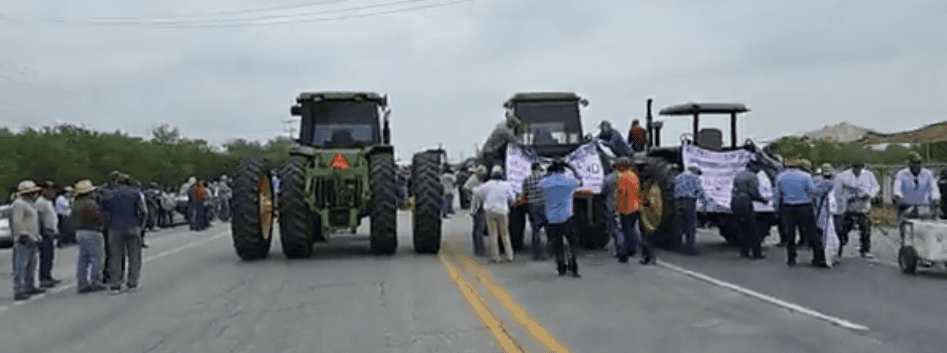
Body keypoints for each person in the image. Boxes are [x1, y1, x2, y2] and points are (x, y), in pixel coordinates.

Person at [101, 174, 147, 294]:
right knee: (134, 257)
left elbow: (103, 212)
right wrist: (140, 225)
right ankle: (132, 283)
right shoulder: (135, 194)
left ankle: (115, 284)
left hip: (115, 228)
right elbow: (143, 211)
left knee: (115, 257)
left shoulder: (109, 195)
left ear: (116, 182)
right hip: (133, 226)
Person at [776, 159, 825, 267]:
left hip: (788, 206)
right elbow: (812, 191)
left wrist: (777, 207)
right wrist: (821, 191)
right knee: (812, 232)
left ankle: (791, 258)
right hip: (805, 206)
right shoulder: (806, 176)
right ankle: (818, 257)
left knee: (790, 233)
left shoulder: (780, 176)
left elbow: (777, 194)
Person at [541, 159, 584, 276]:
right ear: (564, 170)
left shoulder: (545, 182)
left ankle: (561, 267)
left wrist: (548, 172)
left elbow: (540, 182)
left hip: (552, 219)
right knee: (573, 244)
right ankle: (573, 266)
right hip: (567, 217)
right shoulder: (569, 181)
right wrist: (572, 168)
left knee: (557, 245)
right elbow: (581, 181)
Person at [69, 180, 108, 294]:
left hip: (80, 231)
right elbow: (97, 217)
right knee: (96, 257)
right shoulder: (90, 203)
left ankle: (82, 283)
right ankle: (96, 281)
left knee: (83, 259)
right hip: (92, 230)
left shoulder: (76, 203)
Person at [613, 157, 654, 265]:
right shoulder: (633, 176)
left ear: (622, 165)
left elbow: (622, 194)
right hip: (635, 207)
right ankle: (625, 255)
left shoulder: (623, 177)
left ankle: (646, 254)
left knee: (630, 233)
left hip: (626, 208)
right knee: (630, 233)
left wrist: (619, 208)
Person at [10, 180, 46, 301]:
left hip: (32, 238)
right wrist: (23, 235)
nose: (34, 194)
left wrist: (37, 236)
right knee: (21, 265)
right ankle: (19, 289)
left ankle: (30, 286)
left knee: (31, 265)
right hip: (23, 239)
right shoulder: (19, 204)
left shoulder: (30, 204)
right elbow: (17, 221)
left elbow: (33, 222)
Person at [835, 161, 879, 258]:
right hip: (849, 208)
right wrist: (847, 198)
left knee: (865, 229)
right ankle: (839, 249)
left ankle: (865, 250)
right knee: (843, 230)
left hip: (863, 208)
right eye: (855, 167)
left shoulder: (869, 175)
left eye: (859, 167)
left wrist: (870, 195)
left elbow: (876, 187)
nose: (857, 169)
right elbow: (838, 191)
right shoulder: (844, 175)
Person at [475, 166, 518, 263]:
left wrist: (484, 198)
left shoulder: (487, 185)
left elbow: (477, 193)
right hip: (502, 212)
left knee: (493, 234)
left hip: (490, 211)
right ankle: (509, 256)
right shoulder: (506, 185)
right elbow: (513, 198)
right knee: (505, 234)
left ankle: (495, 257)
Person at [732, 165, 767, 259]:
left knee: (741, 228)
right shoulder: (752, 176)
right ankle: (756, 253)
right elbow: (754, 192)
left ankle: (744, 252)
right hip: (745, 201)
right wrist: (763, 200)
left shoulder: (738, 175)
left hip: (735, 201)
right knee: (752, 229)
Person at [893, 152, 941, 220]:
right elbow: (897, 189)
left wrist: (935, 199)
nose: (916, 165)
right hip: (907, 207)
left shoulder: (927, 173)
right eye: (913, 162)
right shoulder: (901, 174)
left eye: (918, 162)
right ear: (909, 163)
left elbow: (934, 188)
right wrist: (898, 197)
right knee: (905, 226)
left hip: (923, 208)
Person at [673, 166, 707, 255]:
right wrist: (704, 203)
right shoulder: (694, 178)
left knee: (679, 224)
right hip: (688, 202)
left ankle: (678, 245)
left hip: (677, 202)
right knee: (690, 225)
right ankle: (689, 248)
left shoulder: (678, 177)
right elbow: (699, 190)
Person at [35, 181, 62, 288]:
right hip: (45, 231)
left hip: (51, 231)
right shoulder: (40, 202)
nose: (52, 192)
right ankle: (44, 278)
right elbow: (39, 218)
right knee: (45, 256)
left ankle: (48, 276)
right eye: (50, 189)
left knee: (50, 256)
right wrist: (42, 232)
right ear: (44, 190)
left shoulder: (48, 202)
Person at [814, 165, 841, 267]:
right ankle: (829, 258)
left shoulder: (817, 183)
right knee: (831, 237)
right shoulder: (835, 185)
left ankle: (820, 258)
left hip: (822, 214)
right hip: (831, 214)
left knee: (822, 237)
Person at [522, 162, 549, 261]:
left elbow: (524, 193)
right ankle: (547, 252)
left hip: (533, 206)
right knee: (547, 229)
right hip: (544, 205)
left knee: (535, 230)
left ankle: (536, 254)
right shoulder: (544, 178)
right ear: (538, 169)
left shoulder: (527, 179)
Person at [464, 165, 488, 256]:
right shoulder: (473, 179)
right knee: (479, 228)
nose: (483, 176)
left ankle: (478, 248)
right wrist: (470, 198)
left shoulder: (479, 179)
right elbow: (465, 188)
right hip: (477, 207)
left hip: (479, 205)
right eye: (482, 174)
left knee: (477, 228)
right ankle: (479, 249)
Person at [601, 160, 623, 258]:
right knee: (622, 227)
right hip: (624, 205)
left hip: (611, 205)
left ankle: (620, 249)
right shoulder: (626, 176)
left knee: (614, 229)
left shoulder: (608, 178)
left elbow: (603, 191)